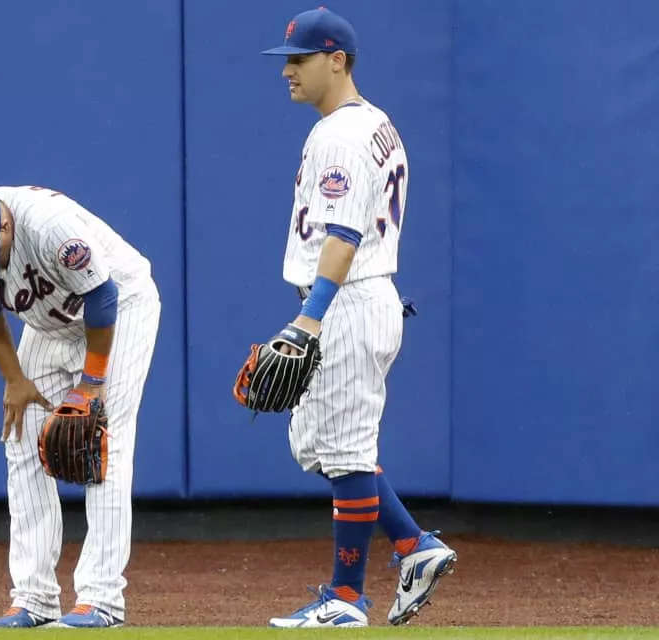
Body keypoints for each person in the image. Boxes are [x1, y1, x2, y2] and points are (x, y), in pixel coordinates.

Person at [258, 7, 457, 628]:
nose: (288, 70)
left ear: (337, 60)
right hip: (362, 299)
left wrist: (310, 318)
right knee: (319, 444)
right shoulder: (375, 123)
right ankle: (414, 545)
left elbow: (343, 234)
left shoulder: (340, 136)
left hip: (346, 301)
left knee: (343, 452)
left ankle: (346, 599)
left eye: (300, 59)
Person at [0, 185, 161, 628]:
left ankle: (101, 599)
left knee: (102, 440)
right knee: (20, 437)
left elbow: (103, 297)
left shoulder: (50, 227)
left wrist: (92, 384)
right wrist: (14, 379)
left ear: (3, 228)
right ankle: (34, 597)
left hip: (119, 306)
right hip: (49, 322)